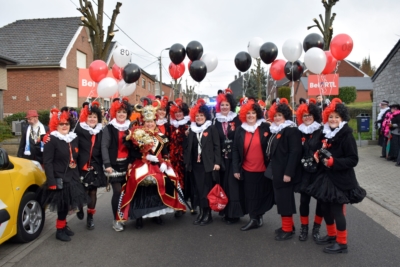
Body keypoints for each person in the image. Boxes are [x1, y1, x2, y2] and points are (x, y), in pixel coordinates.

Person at [307, 98, 366, 254]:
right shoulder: (326, 132)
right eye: (331, 116)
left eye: (336, 117)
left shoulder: (346, 135)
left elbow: (353, 159)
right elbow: (318, 148)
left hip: (340, 179)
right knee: (325, 207)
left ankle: (342, 243)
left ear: (342, 119)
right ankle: (332, 235)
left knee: (337, 211)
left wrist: (334, 162)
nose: (333, 120)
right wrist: (317, 154)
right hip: (326, 178)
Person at [117, 98, 186, 228]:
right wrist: (146, 156)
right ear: (144, 122)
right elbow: (132, 152)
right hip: (141, 163)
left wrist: (165, 161)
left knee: (166, 178)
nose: (150, 124)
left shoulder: (161, 136)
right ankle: (138, 216)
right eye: (147, 122)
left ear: (155, 122)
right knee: (137, 181)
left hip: (157, 164)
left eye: (152, 122)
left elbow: (165, 151)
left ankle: (157, 214)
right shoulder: (137, 134)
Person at [42, 108, 86, 242]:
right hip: (59, 177)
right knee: (62, 205)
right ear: (56, 125)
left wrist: (77, 176)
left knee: (68, 204)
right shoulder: (52, 140)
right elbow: (47, 162)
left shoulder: (72, 138)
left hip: (72, 177)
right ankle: (59, 230)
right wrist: (51, 181)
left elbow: (75, 159)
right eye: (61, 124)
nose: (64, 126)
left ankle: (64, 225)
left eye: (66, 123)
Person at [232, 100, 274, 231]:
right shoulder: (240, 130)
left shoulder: (266, 127)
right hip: (247, 168)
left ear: (257, 114)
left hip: (264, 168)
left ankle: (259, 215)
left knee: (262, 194)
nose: (250, 115)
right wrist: (236, 169)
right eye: (248, 113)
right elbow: (235, 150)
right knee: (250, 195)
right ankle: (253, 218)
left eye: (253, 113)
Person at [266, 98, 302, 240]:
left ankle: (287, 229)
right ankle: (288, 226)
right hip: (277, 171)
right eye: (275, 115)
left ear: (285, 116)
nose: (277, 118)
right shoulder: (276, 130)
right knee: (281, 200)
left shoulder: (291, 130)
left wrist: (288, 173)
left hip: (284, 172)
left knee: (285, 200)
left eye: (279, 115)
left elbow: (295, 153)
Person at [185, 100, 221, 225]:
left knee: (206, 190)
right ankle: (201, 212)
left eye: (201, 115)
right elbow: (189, 148)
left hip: (208, 164)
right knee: (198, 190)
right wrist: (188, 164)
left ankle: (208, 214)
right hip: (195, 165)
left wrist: (217, 162)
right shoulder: (192, 130)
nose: (199, 118)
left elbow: (217, 146)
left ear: (206, 116)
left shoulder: (211, 128)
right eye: (197, 116)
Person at [102, 97, 135, 232]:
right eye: (119, 112)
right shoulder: (109, 128)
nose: (121, 114)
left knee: (127, 192)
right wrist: (107, 164)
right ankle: (116, 219)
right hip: (114, 165)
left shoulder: (131, 127)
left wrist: (132, 162)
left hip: (127, 164)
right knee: (117, 192)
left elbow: (135, 146)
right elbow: (104, 146)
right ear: (114, 113)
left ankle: (124, 216)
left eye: (124, 112)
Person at [74, 101, 107, 230]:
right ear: (85, 118)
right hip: (81, 166)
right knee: (81, 191)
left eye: (94, 117)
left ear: (98, 118)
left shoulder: (101, 131)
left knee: (92, 191)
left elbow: (104, 148)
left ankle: (90, 217)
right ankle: (80, 207)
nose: (92, 119)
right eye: (90, 116)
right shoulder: (78, 129)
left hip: (95, 165)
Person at [213, 89, 244, 224]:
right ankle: (226, 212)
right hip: (222, 158)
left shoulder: (237, 120)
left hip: (234, 157)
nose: (224, 107)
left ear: (231, 105)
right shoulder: (216, 121)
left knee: (233, 186)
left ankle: (234, 214)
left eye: (226, 104)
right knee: (224, 185)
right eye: (222, 105)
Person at [295, 100, 324, 241]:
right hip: (304, 172)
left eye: (310, 115)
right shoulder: (298, 131)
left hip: (318, 172)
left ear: (315, 116)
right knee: (304, 202)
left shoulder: (321, 131)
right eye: (304, 115)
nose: (307, 117)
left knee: (320, 202)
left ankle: (316, 229)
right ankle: (304, 228)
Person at [169, 98, 192, 216]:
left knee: (189, 182)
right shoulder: (171, 125)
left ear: (184, 113)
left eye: (180, 112)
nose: (178, 114)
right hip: (174, 159)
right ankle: (179, 206)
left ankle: (193, 204)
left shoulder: (190, 125)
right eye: (176, 112)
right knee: (177, 182)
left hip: (187, 159)